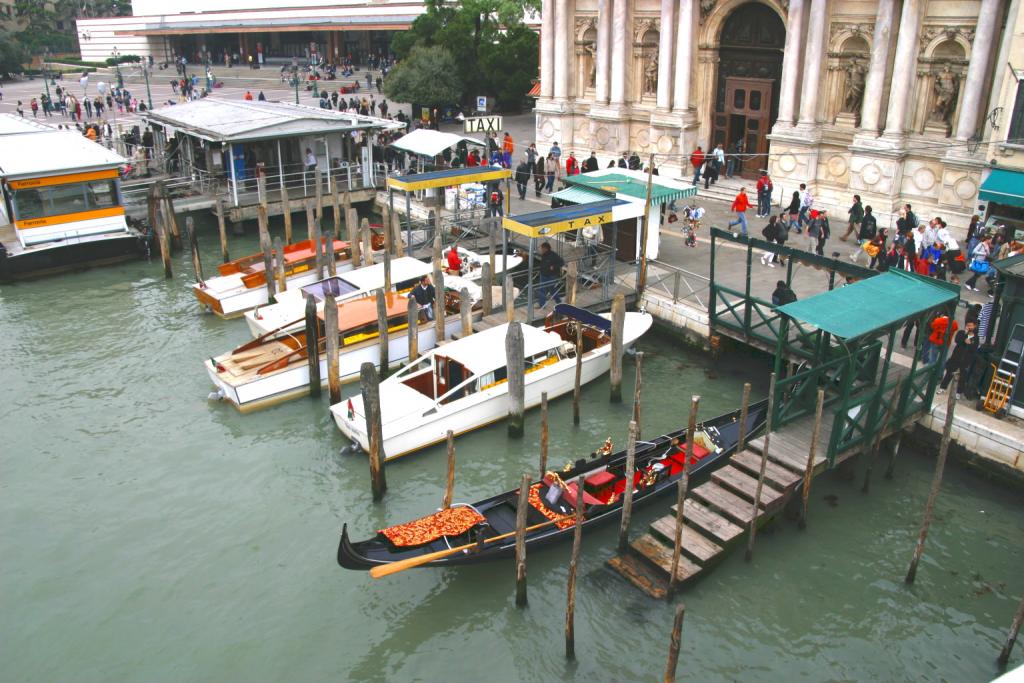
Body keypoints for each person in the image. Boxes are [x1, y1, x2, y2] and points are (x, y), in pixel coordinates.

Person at [936, 321, 979, 398]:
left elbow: (974, 348)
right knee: (949, 373)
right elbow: (957, 340)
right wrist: (965, 336)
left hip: (966, 360)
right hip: (956, 357)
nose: (969, 327)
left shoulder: (976, 338)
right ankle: (943, 387)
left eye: (970, 325)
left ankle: (958, 392)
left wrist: (969, 344)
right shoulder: (961, 333)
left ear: (974, 326)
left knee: (962, 377)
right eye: (967, 325)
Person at [537, 241, 564, 307]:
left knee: (552, 289)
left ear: (546, 249)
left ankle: (558, 301)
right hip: (543, 274)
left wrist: (554, 266)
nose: (540, 249)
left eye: (542, 248)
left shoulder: (553, 255)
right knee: (542, 289)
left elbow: (562, 262)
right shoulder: (543, 254)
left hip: (551, 275)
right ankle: (542, 304)